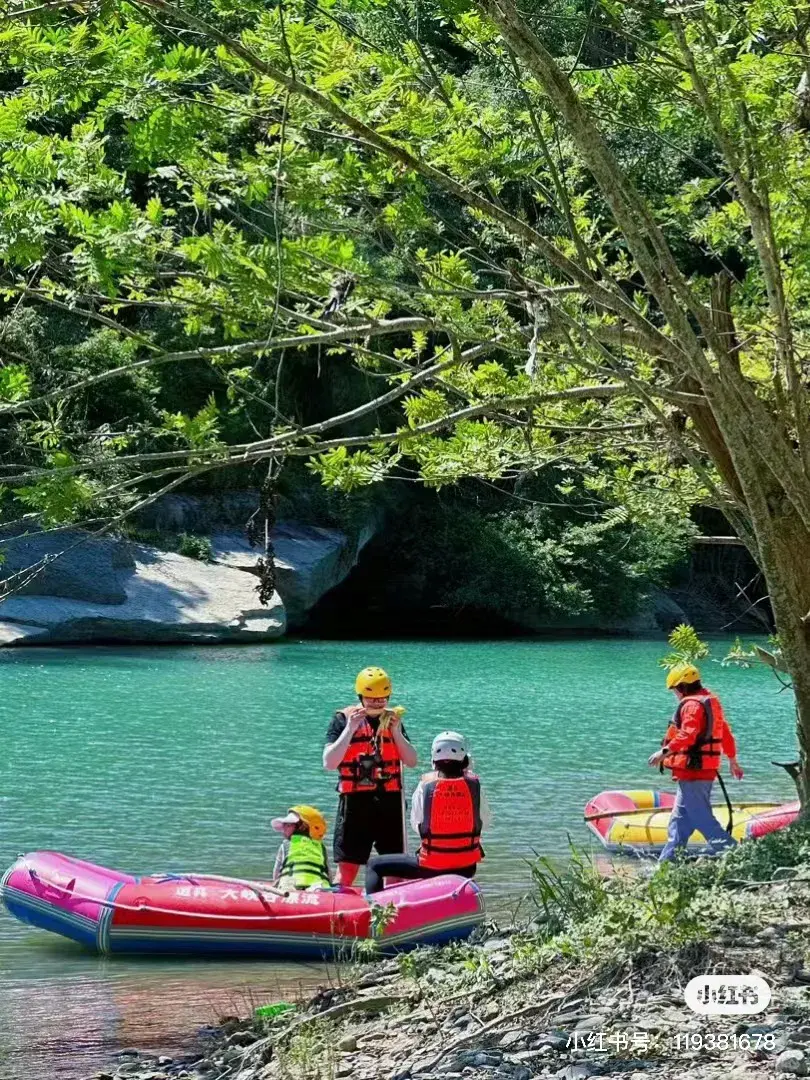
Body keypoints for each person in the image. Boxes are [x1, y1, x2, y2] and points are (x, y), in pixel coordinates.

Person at [323, 667, 418, 887]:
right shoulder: (343, 719)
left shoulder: (393, 720)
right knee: (346, 868)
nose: (377, 703)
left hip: (390, 802)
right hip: (356, 802)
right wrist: (350, 729)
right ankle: (340, 911)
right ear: (360, 697)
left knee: (394, 869)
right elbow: (329, 763)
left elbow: (411, 761)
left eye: (382, 699)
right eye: (371, 699)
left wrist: (396, 733)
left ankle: (392, 912)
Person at [365, 730, 490, 894]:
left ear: (434, 760)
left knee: (374, 866)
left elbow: (416, 825)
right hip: (467, 868)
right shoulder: (475, 786)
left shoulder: (425, 786)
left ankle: (375, 910)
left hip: (431, 866)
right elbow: (485, 822)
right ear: (465, 759)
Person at [648, 664, 744, 862]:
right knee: (679, 824)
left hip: (694, 771)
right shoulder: (711, 702)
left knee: (702, 818)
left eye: (674, 689)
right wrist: (732, 760)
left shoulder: (692, 705)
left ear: (682, 686)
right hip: (701, 770)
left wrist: (663, 752)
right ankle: (666, 868)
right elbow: (725, 734)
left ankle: (738, 857)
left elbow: (688, 735)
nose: (674, 694)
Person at [271, 805, 331, 891]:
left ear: (302, 826)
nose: (284, 828)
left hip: (291, 886)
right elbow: (328, 873)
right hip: (318, 888)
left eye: (287, 825)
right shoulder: (320, 846)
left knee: (284, 882)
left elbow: (276, 873)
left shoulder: (285, 845)